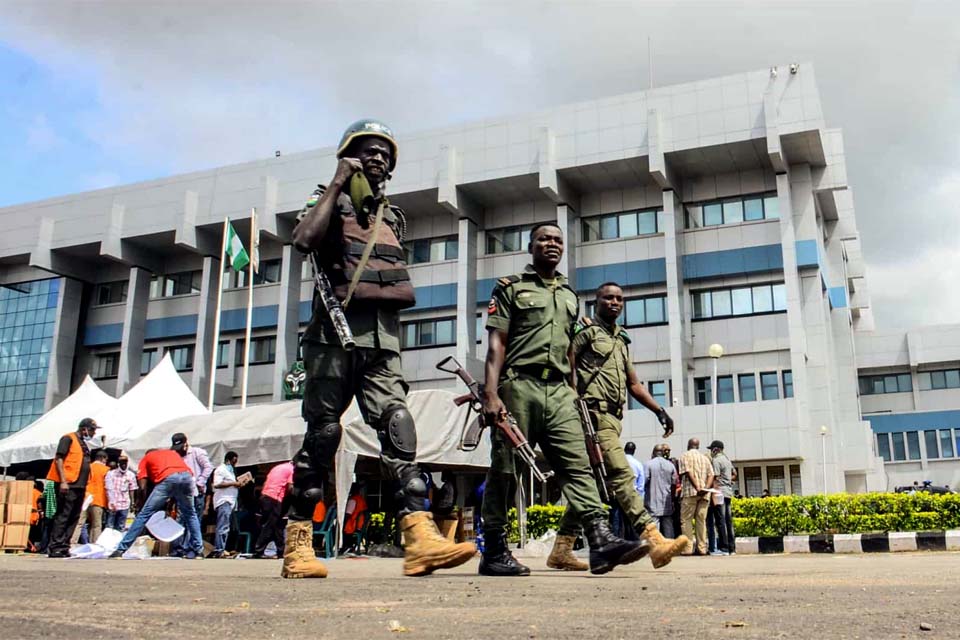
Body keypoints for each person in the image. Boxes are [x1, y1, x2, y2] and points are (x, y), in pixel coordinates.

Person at [288, 119, 475, 579]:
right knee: (323, 436)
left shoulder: (392, 216)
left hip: (383, 341)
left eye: (385, 154)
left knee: (398, 425)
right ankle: (297, 547)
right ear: (348, 155)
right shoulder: (327, 200)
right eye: (368, 151)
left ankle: (420, 540)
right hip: (333, 338)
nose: (378, 158)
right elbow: (303, 241)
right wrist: (336, 182)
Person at [481, 223, 647, 577]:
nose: (551, 244)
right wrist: (491, 393)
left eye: (557, 240)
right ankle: (494, 549)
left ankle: (601, 542)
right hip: (518, 386)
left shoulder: (571, 295)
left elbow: (570, 354)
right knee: (506, 470)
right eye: (544, 239)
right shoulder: (511, 287)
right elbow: (497, 343)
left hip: (559, 392)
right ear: (531, 247)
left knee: (580, 465)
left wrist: (574, 393)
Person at [547, 282, 688, 572]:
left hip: (613, 418)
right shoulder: (585, 332)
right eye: (608, 298)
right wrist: (573, 404)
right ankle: (654, 539)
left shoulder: (621, 341)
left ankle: (561, 550)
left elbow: (633, 383)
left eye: (619, 299)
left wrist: (659, 410)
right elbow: (568, 366)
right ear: (596, 302)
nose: (614, 302)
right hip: (591, 416)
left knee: (593, 487)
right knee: (621, 474)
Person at [109, 446, 204, 559]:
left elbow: (142, 486)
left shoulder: (146, 458)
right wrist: (169, 504)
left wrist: (140, 503)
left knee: (143, 515)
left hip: (168, 478)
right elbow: (177, 485)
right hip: (187, 477)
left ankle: (120, 550)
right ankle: (199, 551)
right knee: (191, 514)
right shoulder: (172, 453)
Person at [46, 417, 100, 557]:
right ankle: (55, 546)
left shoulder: (83, 444)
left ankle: (64, 546)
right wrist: (63, 481)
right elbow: (59, 459)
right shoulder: (68, 438)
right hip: (68, 484)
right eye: (93, 430)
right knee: (63, 515)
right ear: (84, 429)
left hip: (80, 486)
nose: (94, 433)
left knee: (74, 516)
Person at [171, 433, 212, 557]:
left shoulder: (197, 452)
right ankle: (177, 549)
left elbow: (208, 467)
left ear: (185, 444)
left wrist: (200, 481)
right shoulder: (176, 456)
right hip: (182, 492)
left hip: (196, 492)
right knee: (180, 520)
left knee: (193, 521)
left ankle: (192, 548)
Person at [678, 438, 714, 555]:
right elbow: (711, 475)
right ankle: (702, 548)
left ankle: (688, 548)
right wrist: (705, 489)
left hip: (690, 492)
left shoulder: (684, 456)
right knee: (701, 521)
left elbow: (688, 472)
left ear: (688, 445)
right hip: (704, 494)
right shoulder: (705, 458)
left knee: (686, 520)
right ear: (698, 446)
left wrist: (697, 487)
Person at [253, 460, 294, 558]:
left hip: (265, 496)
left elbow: (266, 483)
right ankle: (259, 550)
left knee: (277, 525)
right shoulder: (291, 469)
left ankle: (281, 550)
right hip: (274, 497)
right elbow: (290, 488)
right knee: (270, 525)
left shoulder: (277, 467)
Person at [644, 444, 680, 538]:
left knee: (654, 529)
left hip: (653, 502)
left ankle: (656, 548)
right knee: (668, 527)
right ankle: (671, 549)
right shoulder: (670, 465)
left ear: (653, 452)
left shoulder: (648, 464)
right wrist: (672, 499)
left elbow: (644, 481)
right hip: (666, 503)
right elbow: (674, 484)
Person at [211, 451, 242, 559]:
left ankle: (227, 548)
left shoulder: (231, 471)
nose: (235, 463)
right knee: (223, 526)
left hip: (231, 501)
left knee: (231, 527)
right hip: (224, 501)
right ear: (228, 460)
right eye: (234, 461)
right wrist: (233, 483)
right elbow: (217, 484)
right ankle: (219, 549)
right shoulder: (221, 470)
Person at [708, 440, 736, 555]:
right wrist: (728, 481)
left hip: (720, 493)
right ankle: (732, 547)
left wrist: (713, 493)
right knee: (728, 521)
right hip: (728, 492)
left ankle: (724, 547)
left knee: (720, 521)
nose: (710, 451)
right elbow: (735, 474)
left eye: (711, 449)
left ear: (716, 449)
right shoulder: (727, 460)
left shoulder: (716, 460)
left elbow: (715, 477)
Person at [80, 450, 109, 545]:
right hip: (98, 499)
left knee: (79, 523)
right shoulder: (106, 470)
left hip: (85, 498)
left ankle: (72, 543)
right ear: (102, 458)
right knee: (96, 525)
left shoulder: (87, 467)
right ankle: (95, 544)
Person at [105, 453, 138, 531]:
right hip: (113, 504)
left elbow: (132, 490)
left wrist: (132, 503)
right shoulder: (111, 474)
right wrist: (110, 501)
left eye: (125, 463)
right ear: (118, 464)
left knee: (121, 526)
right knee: (110, 526)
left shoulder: (131, 475)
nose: (124, 465)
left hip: (125, 504)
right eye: (122, 463)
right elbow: (108, 489)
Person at [339, 482, 368, 554]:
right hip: (361, 524)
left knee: (340, 527)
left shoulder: (353, 500)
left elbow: (348, 514)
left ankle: (346, 546)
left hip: (354, 524)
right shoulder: (361, 499)